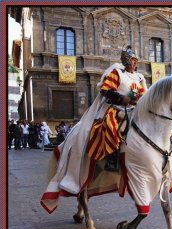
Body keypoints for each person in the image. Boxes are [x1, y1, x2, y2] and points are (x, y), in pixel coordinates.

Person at [41, 46, 148, 209]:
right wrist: (123, 98)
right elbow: (106, 90)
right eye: (133, 60)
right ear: (127, 60)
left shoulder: (139, 78)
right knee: (112, 127)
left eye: (136, 60)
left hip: (133, 110)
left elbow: (142, 94)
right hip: (115, 109)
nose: (135, 63)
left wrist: (138, 99)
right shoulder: (117, 73)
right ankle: (112, 159)